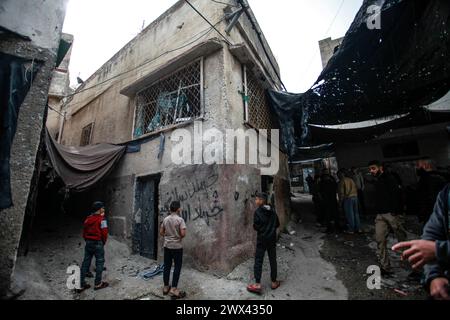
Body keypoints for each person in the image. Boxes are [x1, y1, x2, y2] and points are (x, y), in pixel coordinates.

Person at [392, 184, 450, 300]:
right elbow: (431, 236)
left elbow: (433, 248)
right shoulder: (446, 193)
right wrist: (434, 275)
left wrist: (439, 249)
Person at [369, 160, 407, 275]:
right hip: (380, 215)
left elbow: (398, 195)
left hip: (392, 214)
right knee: (380, 239)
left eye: (373, 168)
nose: (371, 171)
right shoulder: (378, 180)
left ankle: (417, 269)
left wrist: (397, 211)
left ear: (380, 168)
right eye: (370, 169)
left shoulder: (390, 178)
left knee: (403, 241)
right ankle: (385, 267)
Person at [247, 192, 281, 295]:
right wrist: (270, 229)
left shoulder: (258, 212)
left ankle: (257, 284)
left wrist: (257, 227)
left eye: (257, 199)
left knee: (258, 260)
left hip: (262, 239)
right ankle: (274, 282)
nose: (256, 201)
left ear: (262, 200)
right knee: (272, 259)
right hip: (271, 239)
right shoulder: (273, 211)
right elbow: (277, 224)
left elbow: (256, 226)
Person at [78, 201, 109, 293]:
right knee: (100, 262)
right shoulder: (102, 220)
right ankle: (98, 283)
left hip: (88, 243)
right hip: (98, 243)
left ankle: (81, 284)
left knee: (86, 262)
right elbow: (104, 233)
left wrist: (87, 240)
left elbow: (84, 232)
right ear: (99, 209)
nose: (104, 209)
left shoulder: (88, 219)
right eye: (102, 208)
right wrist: (103, 242)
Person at [160, 201, 187, 299]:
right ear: (178, 209)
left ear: (170, 209)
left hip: (167, 246)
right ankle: (174, 289)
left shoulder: (166, 219)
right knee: (177, 267)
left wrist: (168, 237)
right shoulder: (180, 220)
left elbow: (161, 232)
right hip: (177, 247)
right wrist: (177, 236)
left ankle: (166, 287)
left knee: (167, 266)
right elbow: (183, 234)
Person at [338, 169, 361, 234]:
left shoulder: (342, 181)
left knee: (350, 214)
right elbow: (356, 187)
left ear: (341, 174)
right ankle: (358, 228)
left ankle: (351, 229)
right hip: (355, 197)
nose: (338, 175)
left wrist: (340, 202)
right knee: (356, 214)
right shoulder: (351, 179)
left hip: (348, 199)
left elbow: (341, 193)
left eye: (339, 174)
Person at [318, 169, 340, 233]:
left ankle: (332, 228)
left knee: (329, 214)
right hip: (331, 200)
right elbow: (336, 189)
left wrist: (321, 198)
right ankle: (335, 227)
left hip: (328, 200)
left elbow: (319, 191)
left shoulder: (322, 181)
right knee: (333, 214)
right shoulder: (331, 180)